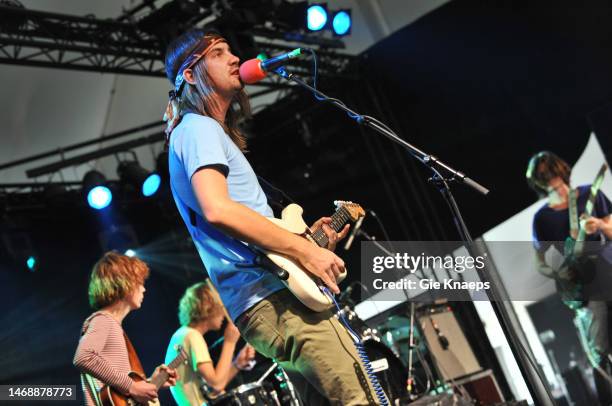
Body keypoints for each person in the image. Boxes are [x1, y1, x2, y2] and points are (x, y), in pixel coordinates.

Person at [163, 29, 384, 405]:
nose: (234, 58)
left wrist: (303, 240)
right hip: (275, 296)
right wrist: (307, 254)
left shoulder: (198, 133)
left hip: (264, 302)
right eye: (219, 53)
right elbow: (218, 209)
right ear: (189, 75)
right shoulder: (198, 129)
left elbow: (242, 221)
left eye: (231, 49)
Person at [527, 151, 612, 403]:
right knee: (599, 354)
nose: (553, 181)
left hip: (609, 269)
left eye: (553, 174)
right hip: (585, 289)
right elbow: (539, 262)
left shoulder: (588, 194)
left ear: (562, 171)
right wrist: (558, 273)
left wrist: (599, 224)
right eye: (545, 177)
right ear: (539, 182)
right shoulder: (542, 218)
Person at [73, 252, 177, 406]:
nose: (144, 289)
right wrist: (132, 386)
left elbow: (119, 392)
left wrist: (151, 382)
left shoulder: (113, 324)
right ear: (125, 283)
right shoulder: (103, 320)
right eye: (140, 283)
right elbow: (83, 357)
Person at [165, 281, 256, 405]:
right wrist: (230, 342)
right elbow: (217, 384)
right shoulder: (192, 335)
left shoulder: (182, 335)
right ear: (209, 307)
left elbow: (213, 389)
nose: (224, 314)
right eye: (221, 306)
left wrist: (237, 364)